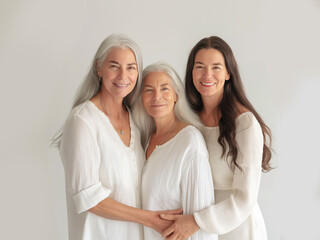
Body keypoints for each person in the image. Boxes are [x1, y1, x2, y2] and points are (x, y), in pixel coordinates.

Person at [52, 34, 181, 240]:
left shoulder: (136, 120)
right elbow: (89, 199)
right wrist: (149, 219)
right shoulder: (82, 121)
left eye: (131, 67)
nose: (123, 76)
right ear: (99, 68)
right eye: (114, 66)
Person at [161, 36, 273, 240]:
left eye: (216, 67)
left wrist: (196, 221)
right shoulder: (188, 119)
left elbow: (245, 199)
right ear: (191, 72)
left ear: (229, 73)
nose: (207, 75)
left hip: (238, 228)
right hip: (196, 227)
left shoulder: (244, 124)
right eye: (200, 66)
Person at [132, 62, 218, 240]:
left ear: (176, 95)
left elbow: (200, 218)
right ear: (141, 97)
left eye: (165, 89)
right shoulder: (145, 140)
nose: (157, 97)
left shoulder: (190, 141)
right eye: (149, 90)